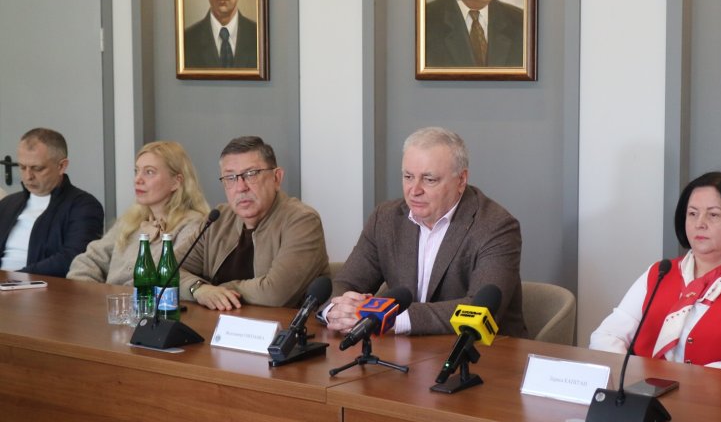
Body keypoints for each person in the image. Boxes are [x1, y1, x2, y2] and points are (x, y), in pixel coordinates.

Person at [322, 126, 525, 337]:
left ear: (461, 180)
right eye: (408, 177)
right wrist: (337, 311)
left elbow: (478, 310)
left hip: (481, 350)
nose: (415, 190)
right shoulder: (386, 218)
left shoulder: (496, 226)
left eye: (429, 179)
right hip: (403, 350)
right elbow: (344, 284)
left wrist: (389, 318)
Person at [590, 172, 721, 375]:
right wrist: (630, 375)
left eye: (713, 215)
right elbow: (606, 335)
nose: (699, 223)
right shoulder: (660, 273)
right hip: (642, 389)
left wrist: (686, 382)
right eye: (692, 213)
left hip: (718, 394)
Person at [180, 136, 329, 309]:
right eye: (230, 177)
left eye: (251, 174)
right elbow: (165, 272)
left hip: (281, 325)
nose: (241, 187)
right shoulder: (218, 219)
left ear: (276, 178)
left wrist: (217, 290)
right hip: (217, 324)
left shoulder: (302, 221)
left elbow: (275, 294)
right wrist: (198, 289)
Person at [67, 141, 210, 285]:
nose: (138, 180)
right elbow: (89, 260)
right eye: (136, 171)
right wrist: (87, 292)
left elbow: (167, 278)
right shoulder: (131, 219)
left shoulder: (193, 226)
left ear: (176, 182)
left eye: (149, 172)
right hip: (111, 298)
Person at [0, 128, 104, 277]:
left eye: (37, 168)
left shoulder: (84, 206)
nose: (28, 176)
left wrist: (13, 278)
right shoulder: (7, 204)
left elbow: (74, 258)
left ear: (61, 166)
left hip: (42, 286)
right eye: (22, 167)